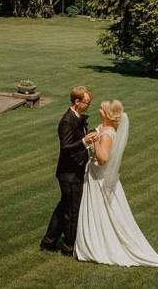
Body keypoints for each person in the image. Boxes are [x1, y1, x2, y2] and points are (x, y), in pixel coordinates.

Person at [75, 100, 158, 269]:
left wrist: (94, 142)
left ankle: (100, 245)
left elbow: (103, 159)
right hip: (97, 176)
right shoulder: (107, 129)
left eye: (101, 108)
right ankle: (97, 239)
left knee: (102, 210)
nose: (98, 110)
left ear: (106, 114)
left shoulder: (106, 134)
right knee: (104, 211)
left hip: (99, 177)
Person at [41, 86, 98, 255]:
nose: (89, 106)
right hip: (69, 173)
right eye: (87, 103)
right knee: (72, 211)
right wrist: (84, 141)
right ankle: (68, 246)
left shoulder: (78, 118)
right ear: (77, 102)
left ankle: (49, 241)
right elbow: (65, 148)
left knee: (63, 207)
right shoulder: (67, 120)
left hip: (75, 170)